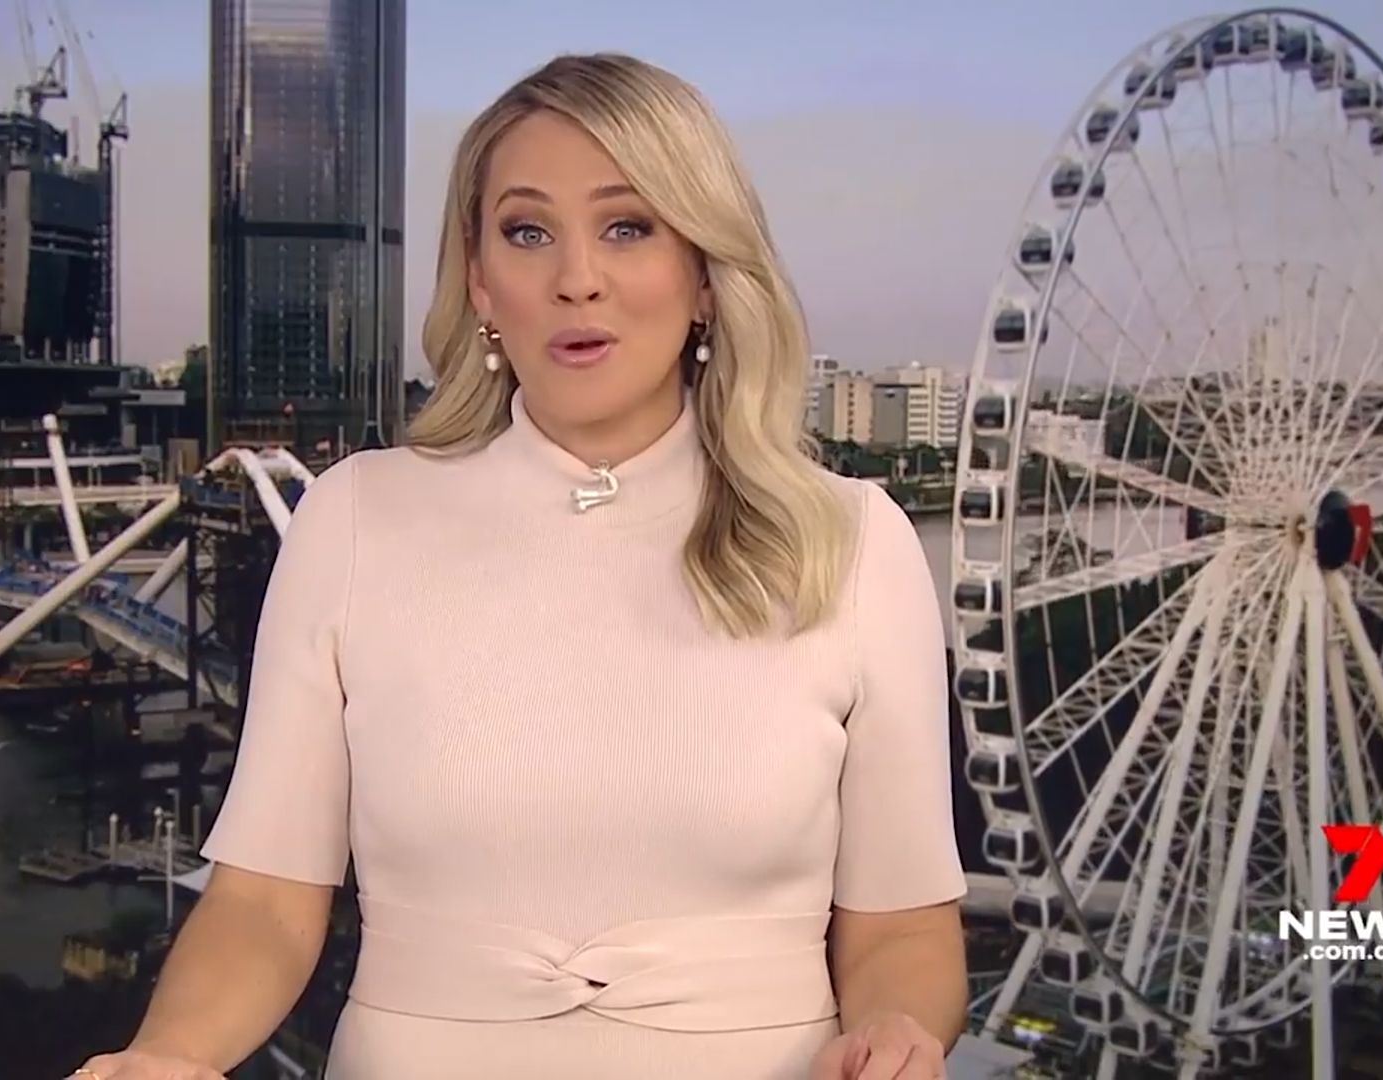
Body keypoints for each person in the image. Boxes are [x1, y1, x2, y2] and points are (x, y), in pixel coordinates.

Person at [72, 52, 966, 1080]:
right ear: (480, 281)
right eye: (528, 232)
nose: (576, 278)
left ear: (704, 275)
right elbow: (266, 902)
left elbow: (903, 928)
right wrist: (168, 1056)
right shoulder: (354, 520)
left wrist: (896, 1034)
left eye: (628, 227)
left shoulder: (853, 543)